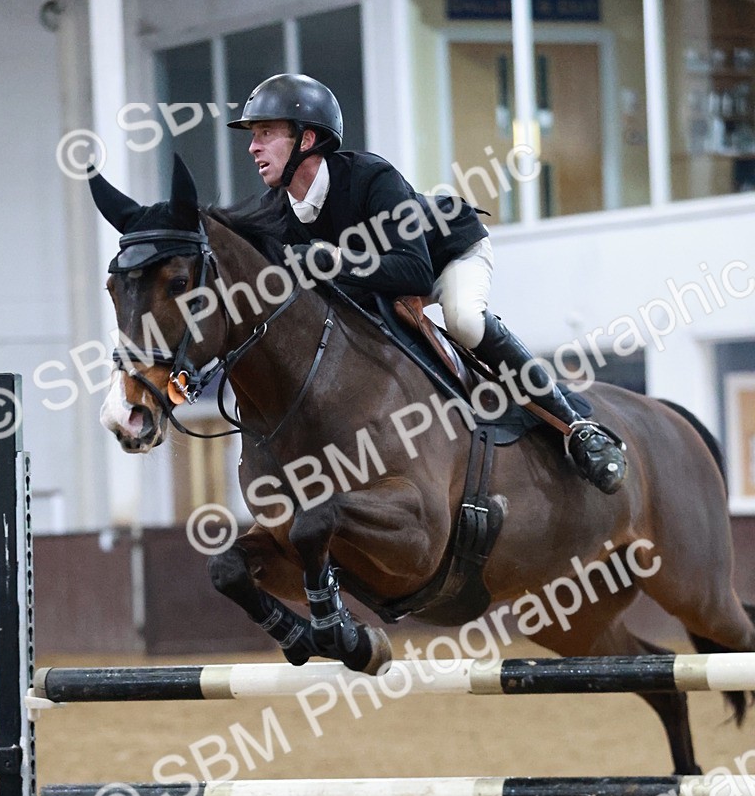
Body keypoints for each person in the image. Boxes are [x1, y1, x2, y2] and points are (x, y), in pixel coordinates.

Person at [228, 73, 627, 494]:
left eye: (266, 133)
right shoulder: (274, 212)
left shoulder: (371, 177)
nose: (253, 147)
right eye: (254, 135)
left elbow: (414, 272)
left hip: (446, 256)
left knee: (464, 321)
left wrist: (333, 259)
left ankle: (577, 428)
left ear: (307, 140)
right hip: (379, 286)